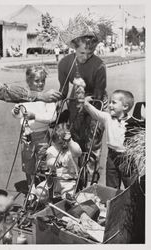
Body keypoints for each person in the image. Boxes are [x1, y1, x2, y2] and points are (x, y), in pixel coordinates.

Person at [58, 25, 108, 182]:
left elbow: (99, 92)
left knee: (92, 143)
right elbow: (64, 89)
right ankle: (77, 178)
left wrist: (89, 108)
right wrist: (59, 104)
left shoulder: (99, 65)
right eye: (82, 53)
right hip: (77, 98)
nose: (85, 57)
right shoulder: (65, 63)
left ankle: (91, 179)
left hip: (96, 100)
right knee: (76, 140)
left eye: (90, 53)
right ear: (74, 47)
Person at [11, 65, 57, 186]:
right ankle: (31, 187)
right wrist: (16, 112)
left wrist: (34, 116)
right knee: (28, 163)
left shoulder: (48, 98)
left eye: (43, 81)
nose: (40, 84)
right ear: (28, 81)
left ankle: (45, 187)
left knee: (44, 162)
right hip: (26, 136)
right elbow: (18, 113)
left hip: (43, 136)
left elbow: (52, 117)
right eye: (37, 81)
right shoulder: (24, 97)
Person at [83, 90, 137, 189]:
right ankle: (113, 203)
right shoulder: (107, 118)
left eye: (114, 103)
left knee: (131, 185)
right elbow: (95, 113)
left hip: (127, 157)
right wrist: (86, 103)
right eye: (110, 102)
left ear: (125, 107)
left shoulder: (133, 122)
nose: (110, 105)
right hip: (112, 156)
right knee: (111, 186)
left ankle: (133, 203)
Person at [46, 123, 82, 198]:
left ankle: (66, 201)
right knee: (40, 191)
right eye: (60, 143)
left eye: (65, 141)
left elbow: (78, 152)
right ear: (54, 143)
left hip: (69, 181)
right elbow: (49, 161)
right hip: (54, 181)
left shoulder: (71, 149)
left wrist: (70, 141)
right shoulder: (52, 149)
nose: (64, 145)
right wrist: (54, 162)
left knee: (67, 197)